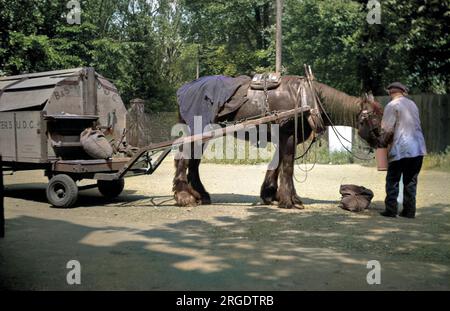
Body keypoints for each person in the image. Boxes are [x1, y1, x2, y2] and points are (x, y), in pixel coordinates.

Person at [378, 82, 426, 218]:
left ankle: (391, 210)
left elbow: (387, 129)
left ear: (390, 92)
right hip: (418, 148)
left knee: (393, 180)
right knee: (410, 181)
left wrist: (381, 142)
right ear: (403, 92)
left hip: (401, 148)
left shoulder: (392, 105)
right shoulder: (412, 104)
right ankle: (409, 211)